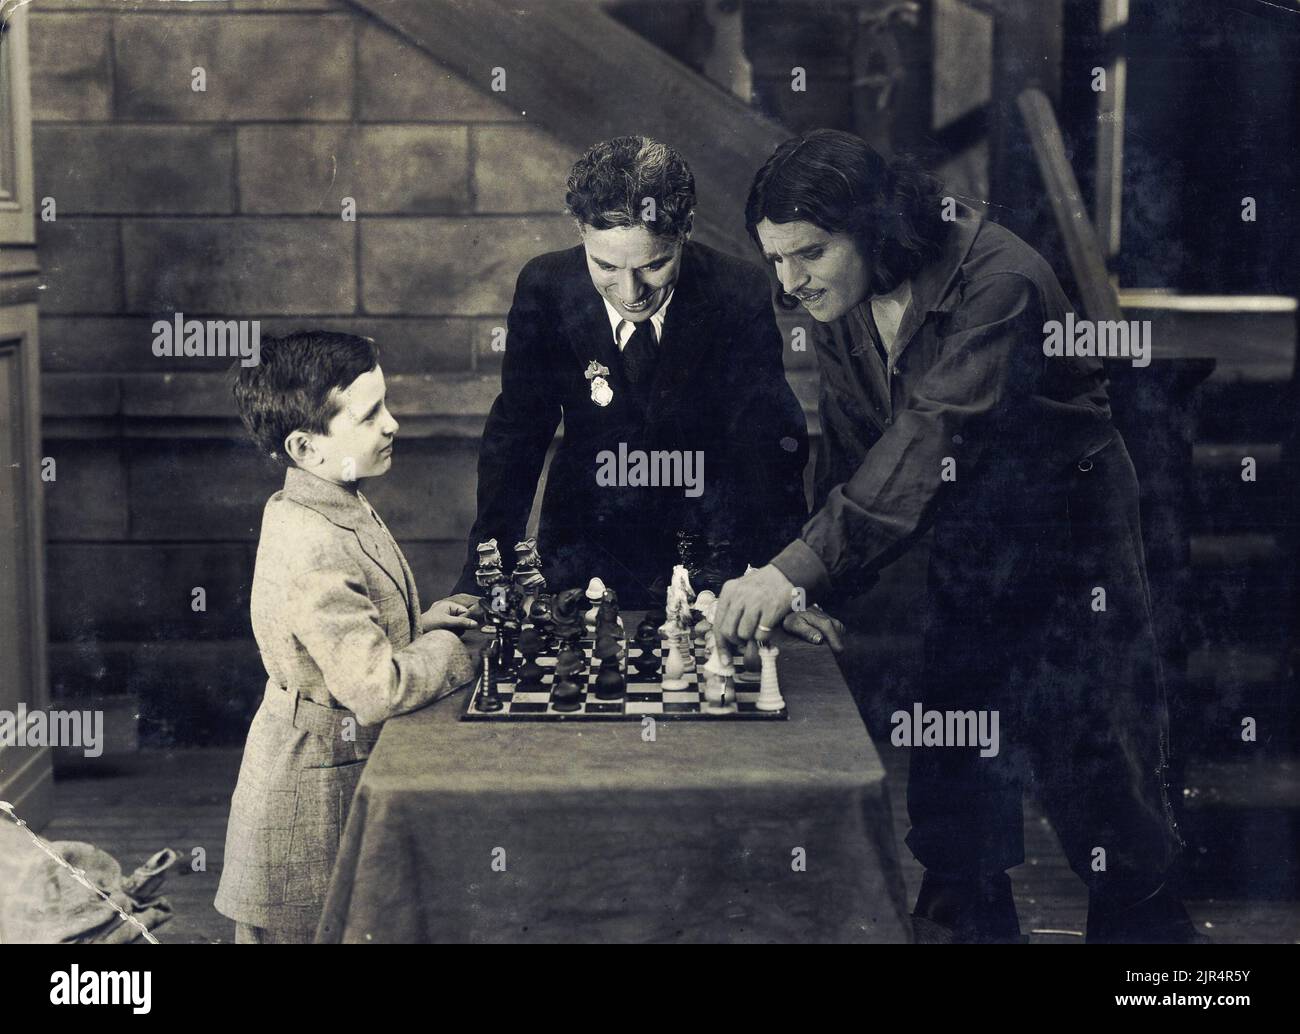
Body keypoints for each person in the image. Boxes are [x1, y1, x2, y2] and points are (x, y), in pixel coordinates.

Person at [715, 129, 1201, 944]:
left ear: (873, 225)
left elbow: (931, 435)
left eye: (807, 254)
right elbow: (855, 453)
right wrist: (812, 582)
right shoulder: (836, 302)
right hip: (964, 535)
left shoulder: (1003, 280)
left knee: (1098, 780)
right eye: (773, 260)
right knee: (953, 780)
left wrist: (790, 571)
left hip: (1067, 536)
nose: (789, 283)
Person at [451, 135, 809, 607]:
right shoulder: (546, 286)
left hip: (707, 548)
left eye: (654, 265)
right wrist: (483, 576)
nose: (630, 291)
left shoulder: (735, 290)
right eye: (605, 266)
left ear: (687, 230)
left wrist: (781, 577)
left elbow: (769, 444)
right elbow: (517, 435)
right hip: (581, 546)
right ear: (580, 229)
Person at [215, 331, 482, 943]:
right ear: (305, 446)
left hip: (333, 763)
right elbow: (376, 689)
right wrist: (454, 651)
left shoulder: (329, 500)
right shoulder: (313, 541)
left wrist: (422, 626)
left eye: (385, 404)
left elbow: (357, 630)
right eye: (368, 416)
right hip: (313, 796)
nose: (392, 424)